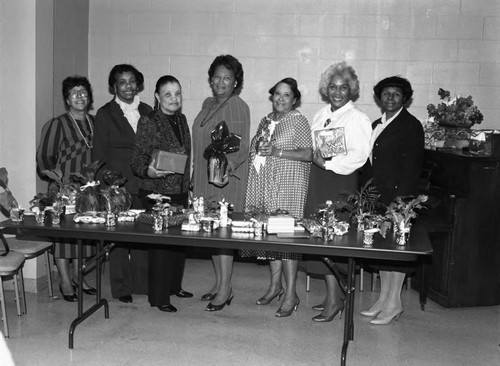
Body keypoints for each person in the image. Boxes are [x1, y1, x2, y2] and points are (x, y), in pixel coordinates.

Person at [304, 62, 371, 322]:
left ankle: (335, 299)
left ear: (351, 90)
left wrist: (329, 163)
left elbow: (359, 157)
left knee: (333, 239)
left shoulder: (357, 118)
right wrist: (319, 160)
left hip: (339, 183)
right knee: (319, 238)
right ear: (326, 89)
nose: (338, 92)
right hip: (320, 180)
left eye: (344, 87)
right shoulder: (321, 114)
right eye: (333, 87)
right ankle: (333, 295)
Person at [241, 78, 313, 317]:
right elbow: (258, 150)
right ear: (272, 96)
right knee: (271, 239)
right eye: (277, 94)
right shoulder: (266, 120)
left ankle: (292, 294)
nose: (281, 99)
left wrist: (277, 151)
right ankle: (275, 286)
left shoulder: (298, 121)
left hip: (288, 186)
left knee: (287, 241)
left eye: (287, 95)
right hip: (266, 187)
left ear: (294, 99)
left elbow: (307, 154)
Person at [360, 76, 424, 325]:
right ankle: (383, 300)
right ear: (379, 97)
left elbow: (412, 169)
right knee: (383, 251)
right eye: (386, 94)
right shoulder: (378, 123)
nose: (390, 98)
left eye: (396, 94)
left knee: (396, 252)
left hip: (398, 199)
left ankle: (394, 303)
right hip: (378, 196)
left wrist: (399, 206)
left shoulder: (410, 125)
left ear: (405, 98)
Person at [192, 54, 250, 311]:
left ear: (235, 82)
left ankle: (226, 289)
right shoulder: (207, 104)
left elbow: (239, 143)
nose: (221, 81)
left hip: (225, 179)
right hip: (205, 178)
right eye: (217, 76)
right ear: (210, 78)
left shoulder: (236, 104)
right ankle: (219, 283)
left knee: (223, 233)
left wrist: (228, 169)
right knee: (211, 232)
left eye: (227, 77)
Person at [131, 75, 193, 313]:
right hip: (157, 193)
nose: (174, 98)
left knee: (178, 245)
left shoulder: (182, 119)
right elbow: (137, 160)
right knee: (160, 249)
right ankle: (158, 297)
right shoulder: (149, 121)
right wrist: (151, 172)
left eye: (177, 93)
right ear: (157, 97)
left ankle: (174, 287)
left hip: (179, 191)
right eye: (168, 94)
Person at [92, 64, 152, 303]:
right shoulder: (105, 113)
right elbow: (98, 154)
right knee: (118, 238)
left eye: (131, 81)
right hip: (117, 184)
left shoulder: (148, 110)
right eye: (122, 82)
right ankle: (121, 288)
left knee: (143, 235)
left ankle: (142, 284)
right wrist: (107, 186)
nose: (128, 86)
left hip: (146, 182)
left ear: (138, 84)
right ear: (114, 87)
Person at [36, 76, 97, 302]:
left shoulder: (95, 122)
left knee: (85, 235)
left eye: (83, 92)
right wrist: (60, 185)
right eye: (74, 93)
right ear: (67, 99)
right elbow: (44, 159)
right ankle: (64, 280)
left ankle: (79, 277)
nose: (80, 96)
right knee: (64, 238)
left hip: (88, 190)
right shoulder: (57, 124)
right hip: (64, 189)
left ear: (89, 97)